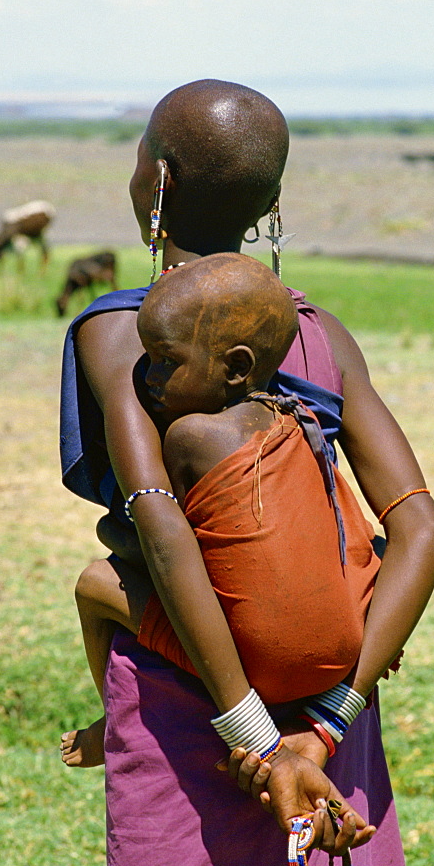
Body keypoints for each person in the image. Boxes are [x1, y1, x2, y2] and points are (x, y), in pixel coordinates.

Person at [59, 79, 434, 866]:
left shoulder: (122, 335)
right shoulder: (321, 332)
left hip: (190, 695)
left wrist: (254, 738)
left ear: (153, 183)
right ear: (271, 205)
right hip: (327, 700)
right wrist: (324, 723)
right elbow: (421, 529)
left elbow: (159, 533)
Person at [61, 252, 384, 760]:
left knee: (96, 583)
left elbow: (169, 553)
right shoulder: (302, 425)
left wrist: (115, 533)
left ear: (236, 367)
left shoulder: (190, 439)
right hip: (344, 654)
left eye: (166, 360)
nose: (147, 375)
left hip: (266, 670)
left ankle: (114, 723)